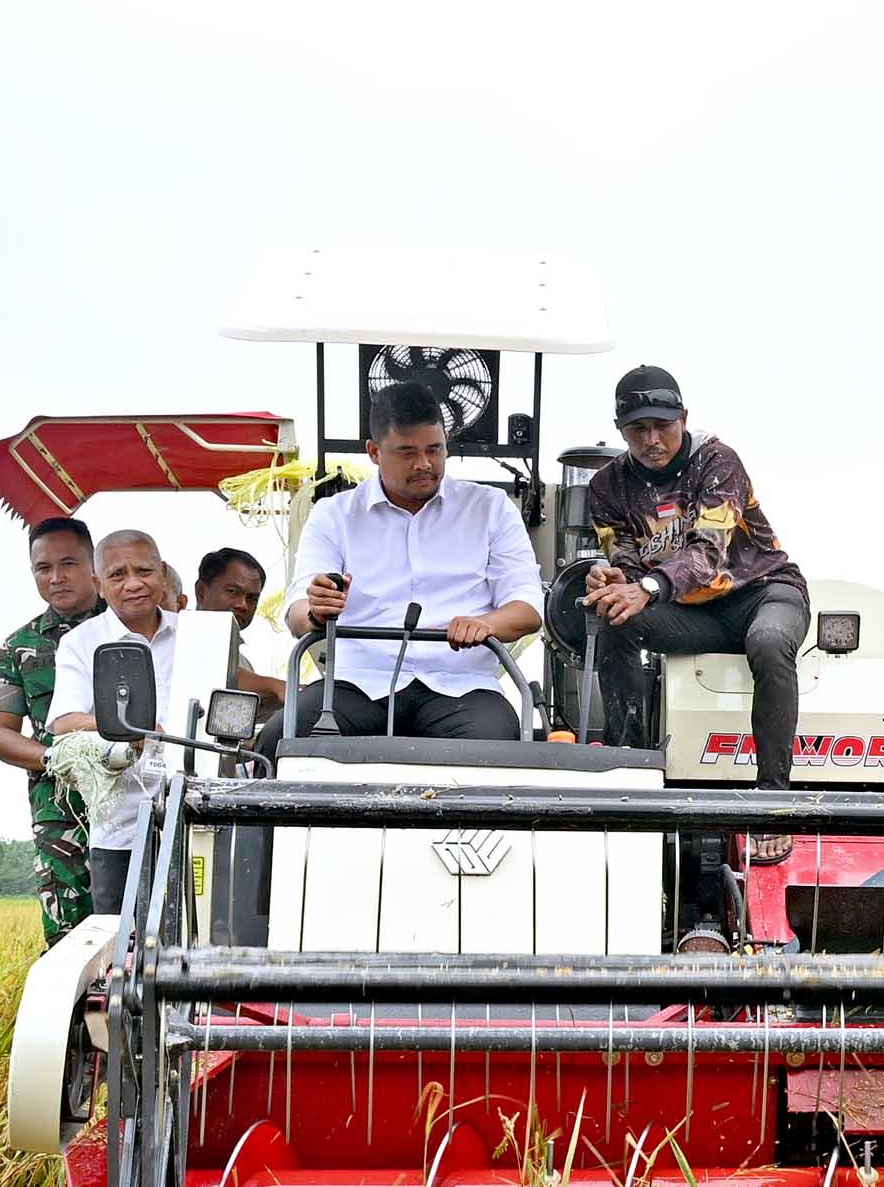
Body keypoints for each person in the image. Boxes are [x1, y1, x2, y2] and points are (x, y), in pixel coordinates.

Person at [581, 364, 808, 783]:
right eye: (638, 429)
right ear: (619, 429)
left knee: (770, 642)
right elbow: (628, 565)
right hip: (693, 614)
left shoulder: (717, 461)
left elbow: (707, 554)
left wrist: (646, 586)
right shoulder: (606, 488)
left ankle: (775, 799)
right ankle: (623, 770)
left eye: (662, 426)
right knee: (616, 616)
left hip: (762, 593)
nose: (651, 440)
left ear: (684, 417)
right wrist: (616, 581)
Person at [280, 382, 544, 740]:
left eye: (435, 450)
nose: (424, 464)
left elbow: (528, 608)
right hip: (357, 685)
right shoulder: (334, 514)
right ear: (374, 452)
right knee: (280, 737)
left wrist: (485, 623)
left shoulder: (492, 508)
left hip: (463, 687)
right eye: (407, 452)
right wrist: (317, 610)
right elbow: (297, 615)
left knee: (493, 745)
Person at [46, 529, 187, 917]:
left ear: (162, 573)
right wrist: (131, 730)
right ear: (99, 585)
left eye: (144, 570)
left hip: (199, 813)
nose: (134, 583)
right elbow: (64, 722)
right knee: (119, 948)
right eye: (118, 575)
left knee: (194, 941)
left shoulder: (199, 634)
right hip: (123, 825)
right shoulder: (81, 642)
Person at [0, 515, 99, 943]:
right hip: (62, 812)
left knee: (147, 926)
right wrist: (57, 758)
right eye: (43, 568)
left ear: (93, 564)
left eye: (68, 564)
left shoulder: (130, 626)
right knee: (68, 936)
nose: (56, 577)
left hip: (140, 798)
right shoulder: (19, 647)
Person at [194, 546, 286, 705]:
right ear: (201, 592)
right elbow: (211, 667)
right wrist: (275, 686)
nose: (243, 605)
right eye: (232, 591)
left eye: (252, 598)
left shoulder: (244, 664)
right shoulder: (174, 638)